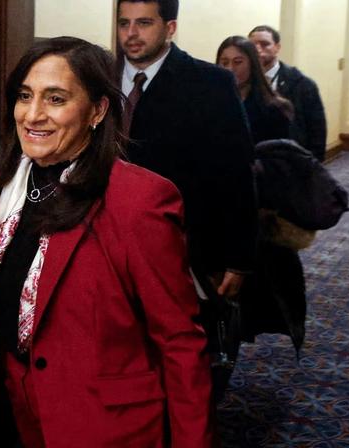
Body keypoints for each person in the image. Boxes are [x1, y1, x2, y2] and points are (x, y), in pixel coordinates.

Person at [0, 37, 214, 447]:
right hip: (27, 404)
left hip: (110, 423)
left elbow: (179, 341)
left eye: (56, 99)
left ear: (97, 111)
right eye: (25, 96)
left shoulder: (138, 200)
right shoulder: (4, 178)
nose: (33, 115)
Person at [117, 0, 257, 301]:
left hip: (182, 244)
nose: (131, 33)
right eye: (123, 23)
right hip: (106, 243)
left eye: (143, 23)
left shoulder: (210, 83)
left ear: (170, 28)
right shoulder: (97, 78)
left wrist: (238, 257)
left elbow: (236, 173)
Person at [249, 25, 328, 161]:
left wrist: (314, 164)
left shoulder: (302, 84)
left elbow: (317, 129)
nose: (257, 49)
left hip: (291, 159)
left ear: (277, 47)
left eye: (265, 44)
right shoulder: (242, 80)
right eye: (252, 45)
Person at [216, 35, 293, 144]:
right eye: (224, 63)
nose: (230, 69)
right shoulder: (211, 104)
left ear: (252, 64)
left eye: (237, 62)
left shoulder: (275, 108)